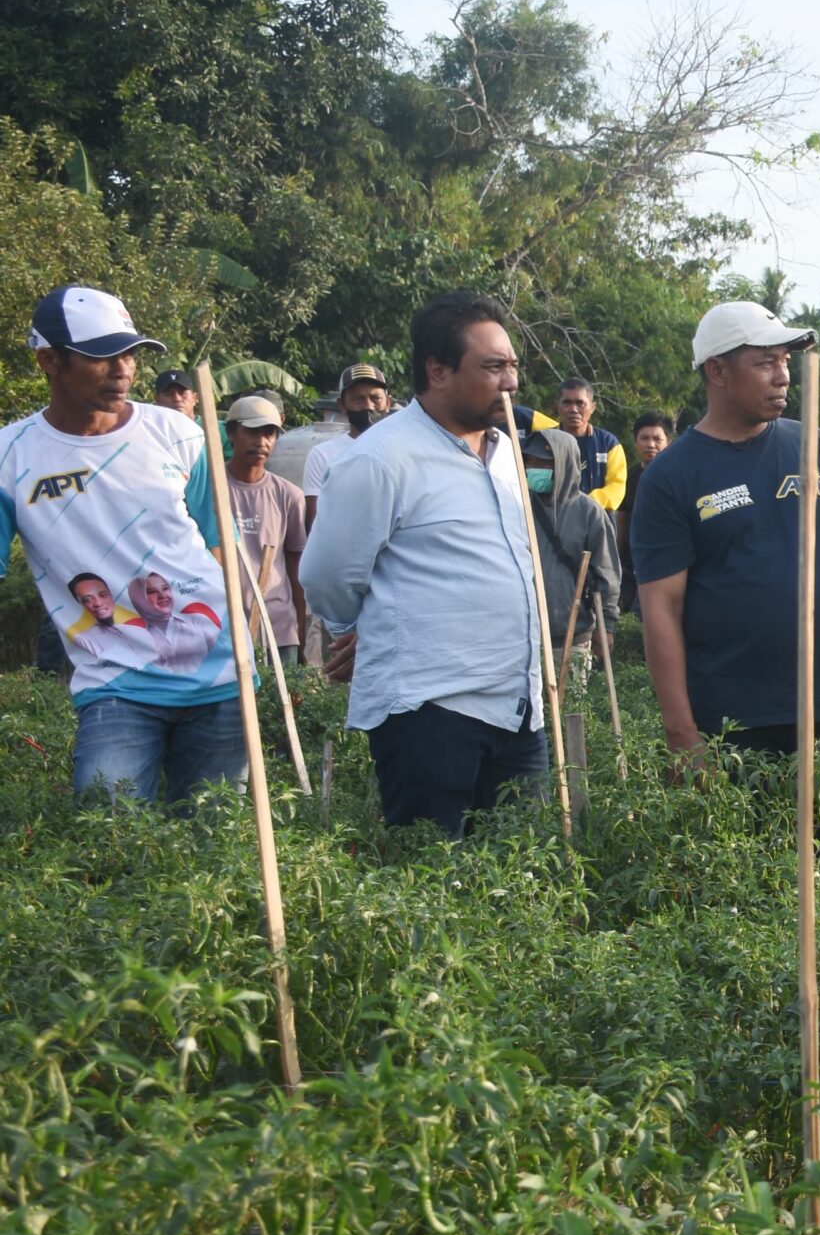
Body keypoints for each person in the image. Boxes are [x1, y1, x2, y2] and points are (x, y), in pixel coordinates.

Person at [630, 300, 820, 841]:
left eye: (785, 362)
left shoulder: (814, 448)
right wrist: (682, 732)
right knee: (748, 885)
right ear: (717, 371)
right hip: (731, 728)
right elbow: (662, 609)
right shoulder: (673, 476)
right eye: (765, 362)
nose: (782, 376)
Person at [302, 293, 553, 837]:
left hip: (518, 705)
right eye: (492, 367)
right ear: (437, 371)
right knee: (433, 886)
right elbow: (326, 575)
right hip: (430, 710)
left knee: (522, 884)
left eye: (512, 366)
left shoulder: (506, 453)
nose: (510, 382)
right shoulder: (379, 458)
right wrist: (355, 632)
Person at [0, 286, 246, 804]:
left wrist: (245, 646)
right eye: (101, 355)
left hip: (219, 676)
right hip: (114, 682)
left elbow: (218, 545)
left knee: (215, 841)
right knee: (109, 826)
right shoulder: (11, 457)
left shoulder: (178, 433)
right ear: (50, 360)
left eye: (130, 352)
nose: (123, 368)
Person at [221, 394, 310, 666]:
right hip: (223, 625)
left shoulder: (289, 495)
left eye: (269, 433)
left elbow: (296, 565)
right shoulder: (211, 489)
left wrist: (300, 628)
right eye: (252, 432)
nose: (261, 442)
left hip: (278, 627)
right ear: (231, 433)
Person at [519, 426, 622, 657]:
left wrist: (606, 626)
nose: (534, 469)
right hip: (525, 638)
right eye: (531, 462)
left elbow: (607, 574)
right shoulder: (519, 507)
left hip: (572, 638)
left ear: (563, 464)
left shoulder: (589, 512)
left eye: (544, 463)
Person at [616, 408, 677, 574]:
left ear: (668, 442)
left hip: (669, 563)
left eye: (657, 439)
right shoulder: (629, 476)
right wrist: (617, 559)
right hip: (633, 565)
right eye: (644, 438)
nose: (650, 444)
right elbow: (621, 518)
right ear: (636, 441)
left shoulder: (679, 476)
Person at [553, 377, 628, 511]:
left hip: (598, 524)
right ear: (557, 405)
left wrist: (588, 502)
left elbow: (617, 487)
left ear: (592, 407)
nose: (573, 409)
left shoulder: (609, 444)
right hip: (554, 521)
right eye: (567, 403)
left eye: (580, 403)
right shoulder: (545, 441)